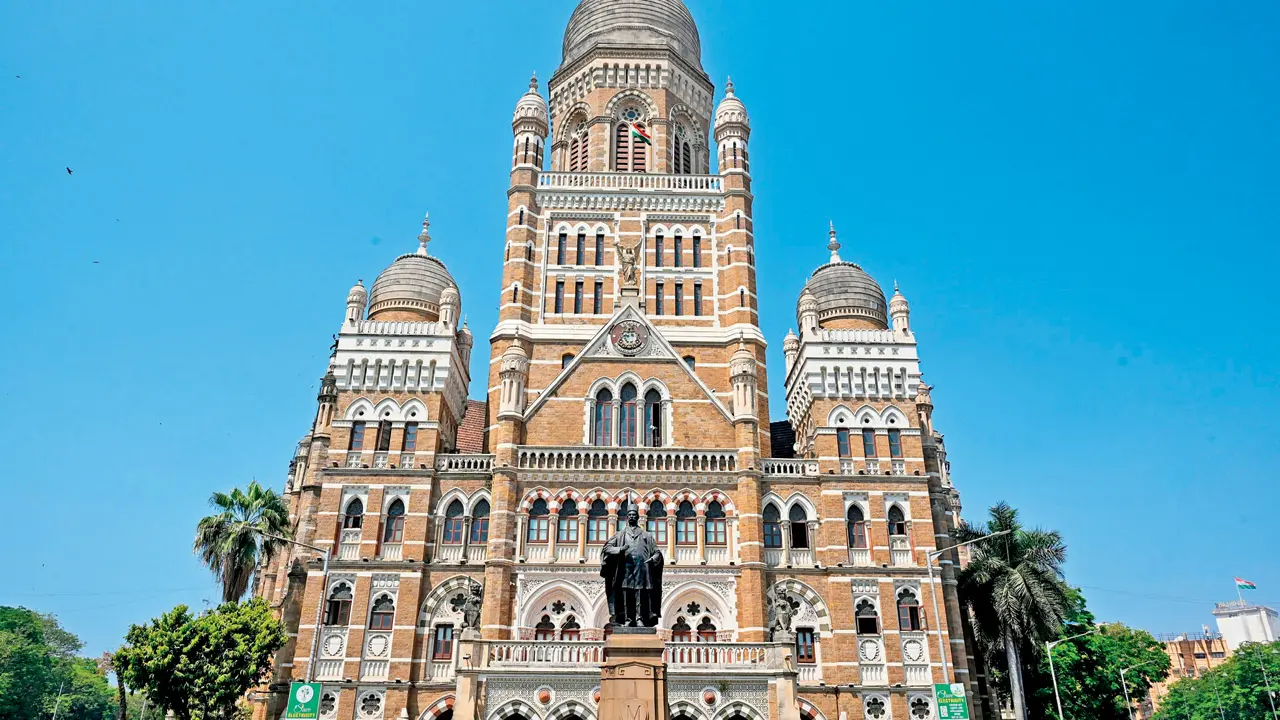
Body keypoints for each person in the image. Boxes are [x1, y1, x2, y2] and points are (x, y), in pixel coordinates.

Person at [600, 506, 664, 627]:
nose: (632, 517)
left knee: (640, 593)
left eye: (634, 514)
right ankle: (628, 619)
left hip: (641, 569)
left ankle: (640, 618)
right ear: (627, 517)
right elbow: (607, 548)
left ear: (638, 517)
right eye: (629, 514)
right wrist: (620, 549)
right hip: (625, 569)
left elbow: (657, 552)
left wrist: (652, 560)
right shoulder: (620, 535)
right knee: (626, 593)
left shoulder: (646, 536)